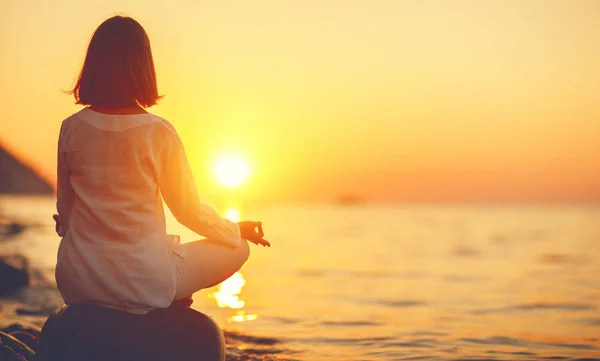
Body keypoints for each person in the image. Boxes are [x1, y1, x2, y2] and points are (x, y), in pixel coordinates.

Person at [52, 15, 269, 315]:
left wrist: (69, 228)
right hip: (142, 283)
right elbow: (188, 212)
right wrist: (233, 230)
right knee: (239, 248)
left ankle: (168, 283)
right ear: (143, 66)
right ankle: (173, 296)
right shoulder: (159, 132)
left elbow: (66, 213)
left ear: (93, 65)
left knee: (163, 253)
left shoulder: (70, 128)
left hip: (79, 282)